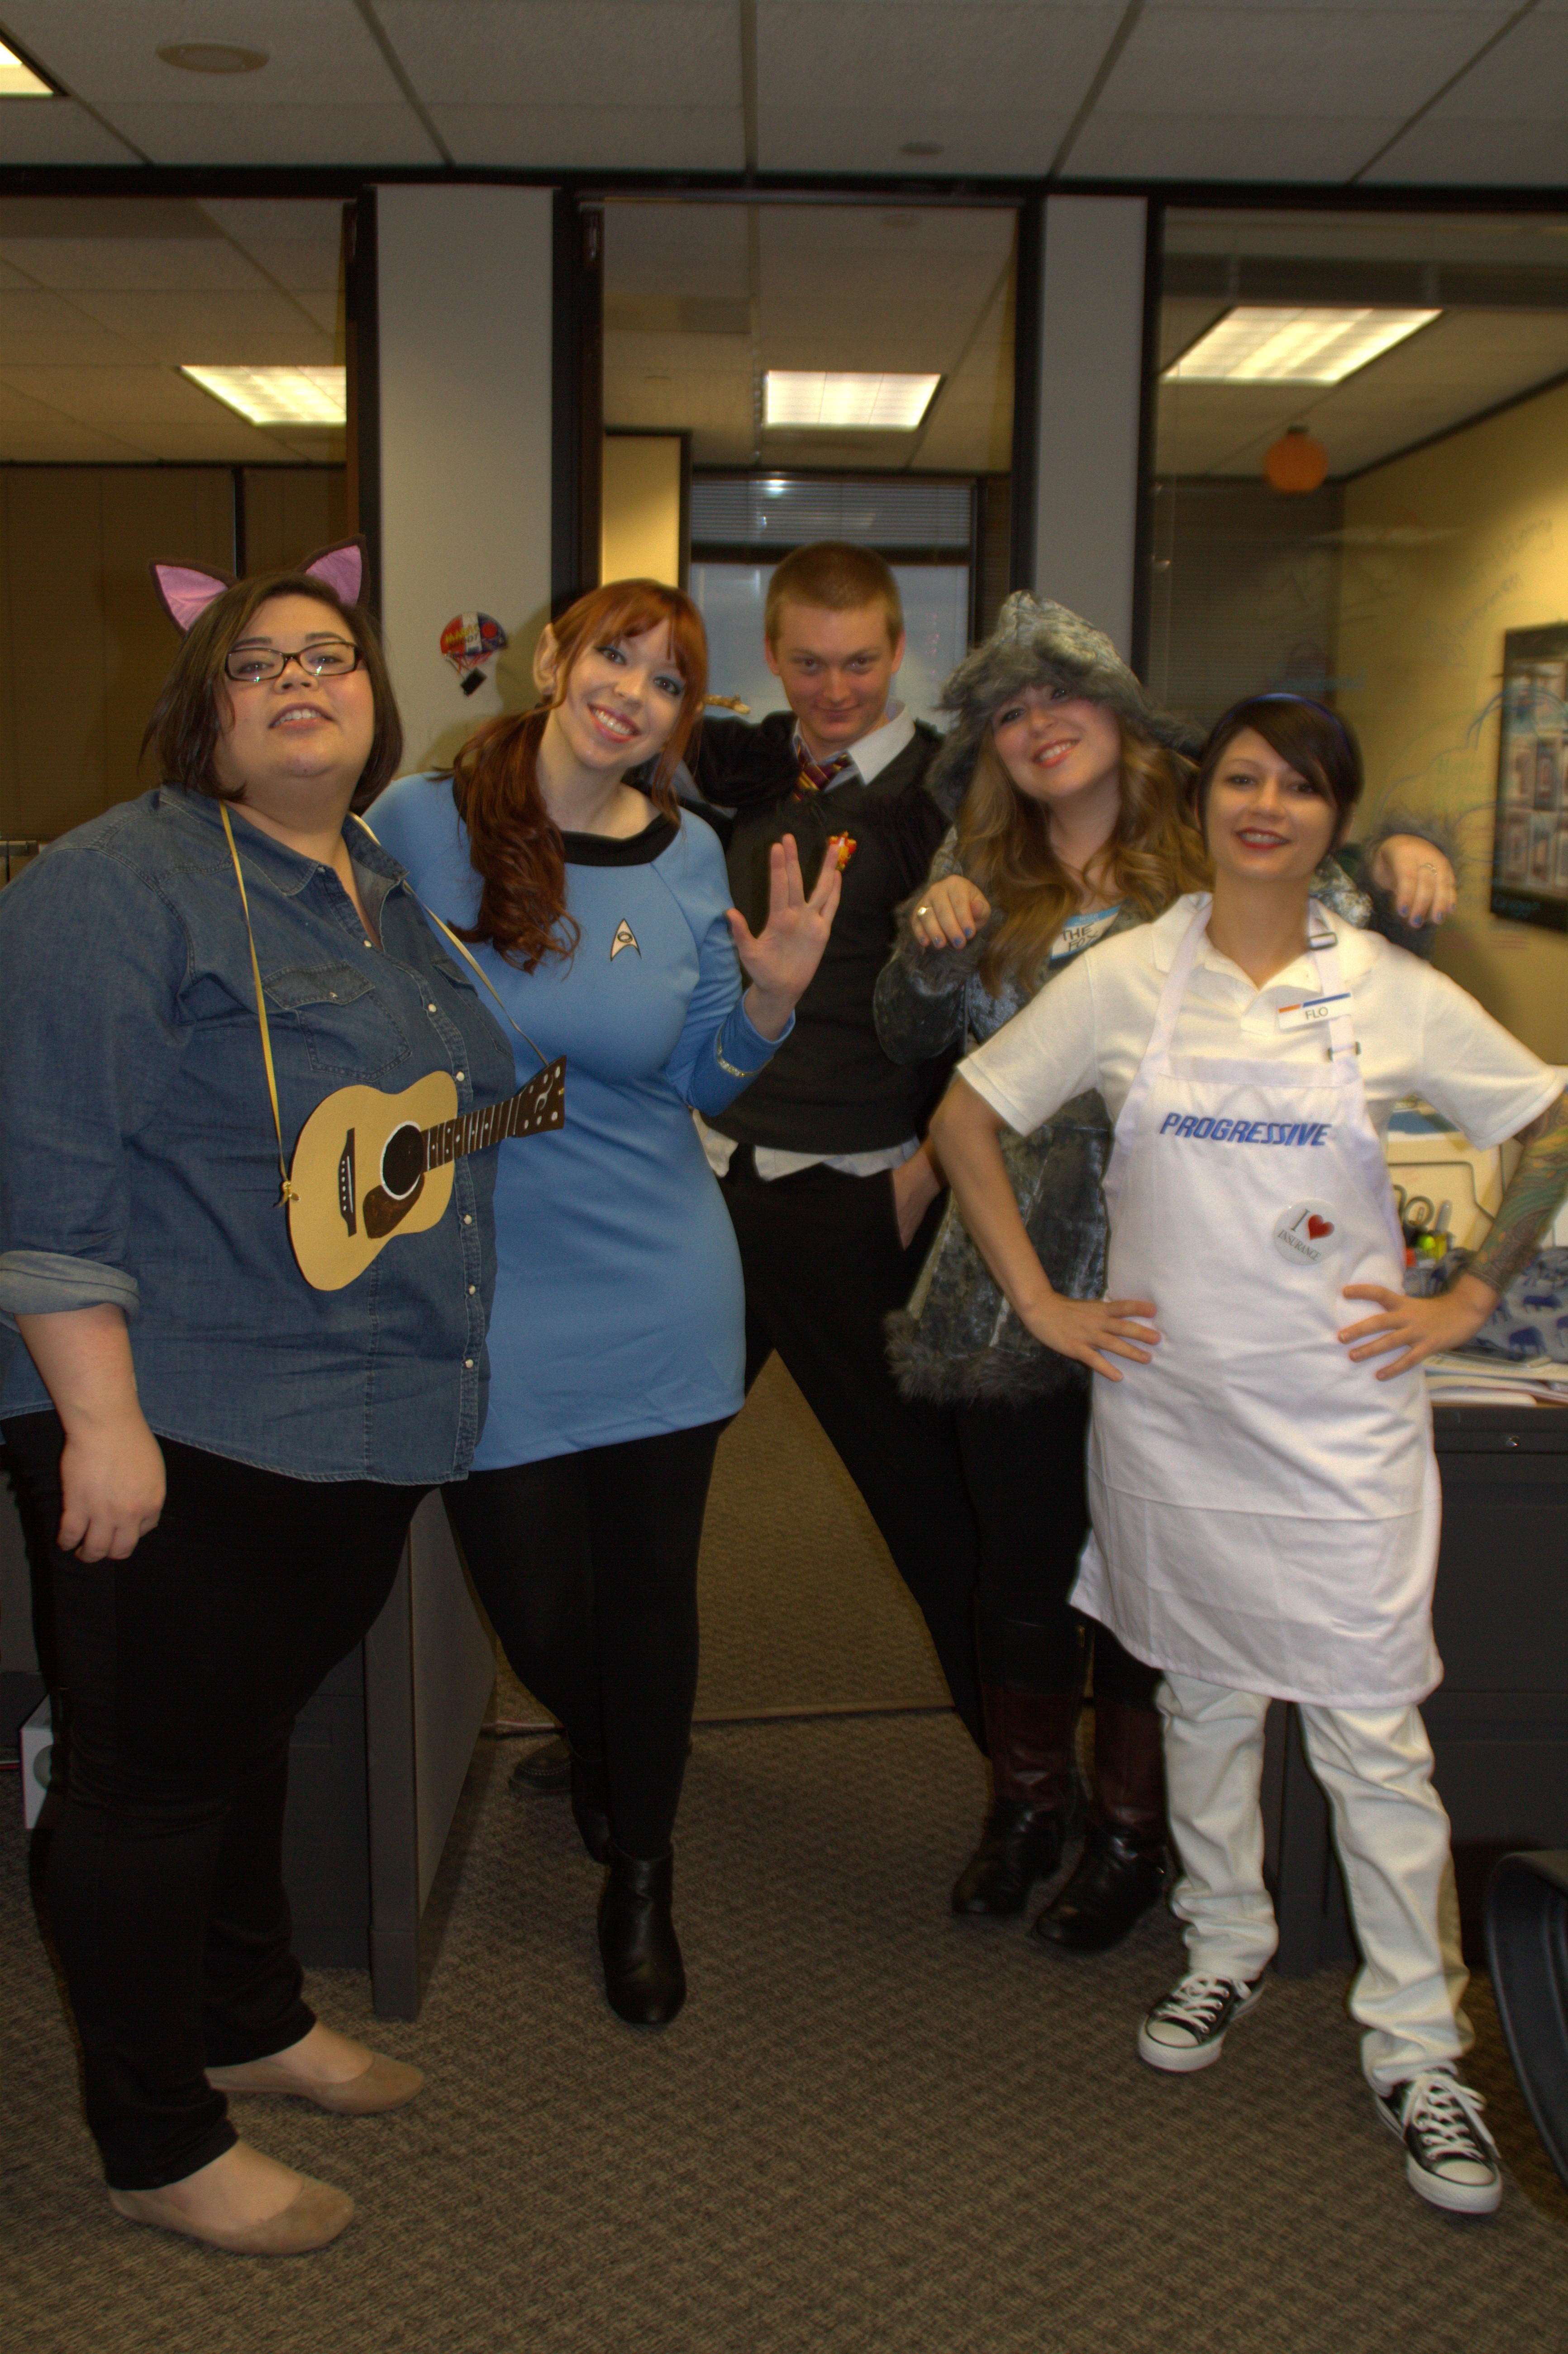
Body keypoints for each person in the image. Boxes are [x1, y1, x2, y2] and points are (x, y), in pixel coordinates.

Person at [933, 690, 1568, 2214]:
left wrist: (1468, 1291)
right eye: (1239, 778)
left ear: (1335, 814)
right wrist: (1040, 1299)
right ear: (1198, 795)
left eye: (1298, 784)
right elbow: (966, 1116)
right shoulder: (1129, 974)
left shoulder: (1388, 987)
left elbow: (1545, 1125)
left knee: (1371, 1737)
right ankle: (1224, 1945)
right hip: (1169, 1415)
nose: (1264, 805)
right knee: (1203, 1699)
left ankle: (1419, 2043)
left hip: (1340, 1430)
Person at [0, 543, 520, 2255]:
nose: (303, 680)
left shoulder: (369, 880)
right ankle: (159, 2134)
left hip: (356, 1412)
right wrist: (99, 1417)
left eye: (331, 657)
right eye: (258, 663)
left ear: (375, 707)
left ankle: (250, 2015)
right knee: (149, 1776)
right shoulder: (114, 885)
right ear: (202, 712)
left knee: (242, 1746)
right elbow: (46, 1169)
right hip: (182, 1419)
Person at [875, 593, 1457, 1948]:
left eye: (1059, 698)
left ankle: (1135, 1832)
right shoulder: (979, 878)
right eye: (1008, 713)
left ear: (1122, 717)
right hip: (1013, 1275)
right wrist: (926, 934)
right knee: (1018, 1559)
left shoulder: (1208, 858)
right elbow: (911, 1038)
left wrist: (1407, 857)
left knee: (1154, 1563)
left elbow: (1349, 935)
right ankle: (1027, 1808)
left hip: (1185, 1281)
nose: (1036, 727)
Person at [369, 579, 839, 2027]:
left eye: (667, 678)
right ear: (555, 658)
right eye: (614, 654)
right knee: (537, 1598)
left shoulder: (693, 851)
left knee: (648, 1591)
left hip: (655, 1273)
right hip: (482, 1273)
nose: (631, 690)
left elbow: (699, 1080)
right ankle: (610, 1736)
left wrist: (767, 1004)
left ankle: (641, 1865)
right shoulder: (418, 822)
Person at [683, 542, 985, 1749]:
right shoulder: (748, 768)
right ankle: (617, 1726)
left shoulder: (944, 795)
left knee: (918, 1493)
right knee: (649, 1474)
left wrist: (927, 1168)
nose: (834, 689)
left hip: (852, 1194)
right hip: (706, 1178)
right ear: (772, 656)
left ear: (899, 650)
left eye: (859, 662)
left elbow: (994, 1004)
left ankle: (1020, 1780)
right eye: (807, 663)